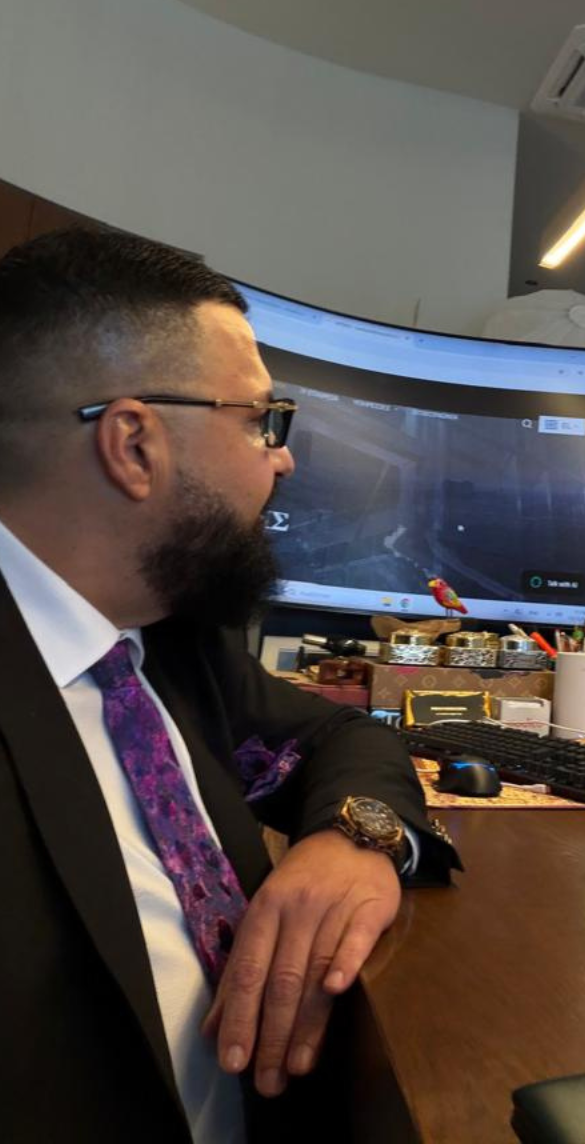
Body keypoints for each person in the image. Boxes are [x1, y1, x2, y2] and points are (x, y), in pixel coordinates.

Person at [0, 227, 459, 1143]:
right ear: (134, 445)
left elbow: (344, 737)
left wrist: (352, 839)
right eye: (260, 421)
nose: (282, 458)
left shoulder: (163, 643)